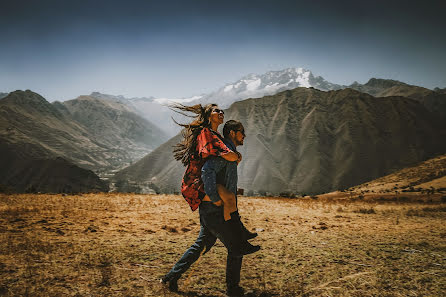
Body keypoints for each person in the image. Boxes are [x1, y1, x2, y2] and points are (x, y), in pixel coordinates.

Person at [161, 104, 259, 296]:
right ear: (208, 116)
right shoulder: (208, 135)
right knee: (235, 246)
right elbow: (209, 167)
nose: (220, 112)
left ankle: (170, 277)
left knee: (202, 244)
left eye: (222, 110)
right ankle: (233, 289)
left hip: (210, 203)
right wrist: (215, 196)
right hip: (211, 203)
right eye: (216, 110)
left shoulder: (218, 138)